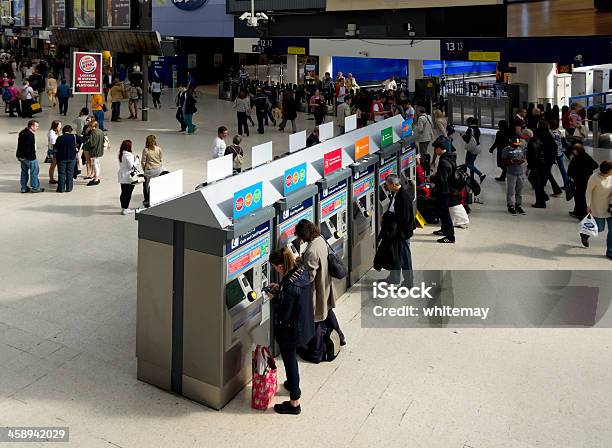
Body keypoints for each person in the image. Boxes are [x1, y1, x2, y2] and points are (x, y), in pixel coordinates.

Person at [267, 247, 315, 415]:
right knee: (291, 359)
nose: (274, 269)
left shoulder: (289, 286)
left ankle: (295, 402)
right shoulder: (301, 269)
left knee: (290, 360)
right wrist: (280, 288)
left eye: (274, 267)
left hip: (292, 331)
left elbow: (284, 313)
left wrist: (274, 300)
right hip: (305, 324)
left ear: (280, 266)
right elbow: (294, 294)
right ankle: (291, 384)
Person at [294, 219, 346, 363]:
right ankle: (340, 337)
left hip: (317, 291)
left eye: (300, 236)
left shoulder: (311, 250)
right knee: (328, 312)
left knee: (316, 320)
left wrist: (295, 279)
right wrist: (302, 261)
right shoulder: (320, 239)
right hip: (326, 285)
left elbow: (309, 276)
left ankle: (316, 353)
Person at [381, 174, 414, 285]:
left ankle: (408, 283)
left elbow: (404, 218)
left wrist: (390, 216)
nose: (386, 187)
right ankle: (394, 277)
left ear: (393, 184)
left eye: (387, 185)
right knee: (396, 256)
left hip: (402, 233)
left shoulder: (403, 197)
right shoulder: (396, 193)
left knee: (405, 258)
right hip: (396, 232)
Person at [581, 161, 612, 258]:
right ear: (607, 170)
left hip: (610, 207)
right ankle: (585, 235)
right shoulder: (594, 178)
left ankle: (610, 251)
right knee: (599, 228)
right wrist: (588, 205)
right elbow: (588, 191)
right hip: (597, 207)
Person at [526, 120, 557, 208]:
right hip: (546, 162)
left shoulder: (537, 136)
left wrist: (530, 164)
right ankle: (542, 197)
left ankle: (541, 201)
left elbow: (532, 151)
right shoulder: (548, 135)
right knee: (539, 181)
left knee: (536, 181)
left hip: (538, 163)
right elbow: (554, 148)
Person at [431, 139, 456, 243]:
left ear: (439, 149)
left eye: (435, 149)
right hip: (447, 190)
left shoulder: (444, 161)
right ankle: (444, 230)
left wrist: (432, 179)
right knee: (442, 212)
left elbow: (442, 179)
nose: (435, 151)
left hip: (443, 192)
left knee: (445, 213)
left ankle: (450, 237)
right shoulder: (450, 157)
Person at [567, 143, 599, 220]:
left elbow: (570, 171)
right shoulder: (587, 156)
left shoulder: (576, 159)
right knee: (582, 196)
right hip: (587, 179)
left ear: (576, 151)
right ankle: (578, 211)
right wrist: (588, 170)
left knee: (579, 197)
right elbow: (595, 165)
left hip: (578, 180)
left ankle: (580, 213)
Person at [16, 119, 44, 193]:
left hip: (20, 156)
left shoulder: (22, 132)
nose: (37, 128)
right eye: (36, 126)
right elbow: (29, 148)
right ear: (32, 126)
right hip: (29, 157)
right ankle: (35, 188)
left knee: (24, 172)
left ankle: (24, 188)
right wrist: (33, 157)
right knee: (34, 172)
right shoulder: (30, 135)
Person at [502, 138, 527, 216]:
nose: (517, 146)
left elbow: (524, 157)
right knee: (511, 191)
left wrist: (522, 161)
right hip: (511, 173)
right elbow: (503, 161)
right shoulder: (506, 150)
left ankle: (518, 205)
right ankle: (510, 205)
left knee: (519, 191)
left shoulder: (520, 149)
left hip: (520, 173)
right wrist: (511, 161)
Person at [54, 125, 81, 193]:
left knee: (61, 173)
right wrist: (77, 146)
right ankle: (69, 188)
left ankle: (61, 189)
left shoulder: (59, 138)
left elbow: (56, 147)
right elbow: (83, 140)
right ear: (70, 130)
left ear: (63, 131)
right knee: (70, 173)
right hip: (72, 157)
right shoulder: (74, 136)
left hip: (61, 158)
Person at [117, 139, 139, 215]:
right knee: (128, 193)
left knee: (123, 193)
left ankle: (123, 207)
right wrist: (137, 161)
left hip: (122, 176)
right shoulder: (128, 155)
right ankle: (126, 209)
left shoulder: (121, 154)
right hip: (128, 177)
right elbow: (131, 167)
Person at [141, 135, 163, 208]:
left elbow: (143, 161)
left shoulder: (146, 150)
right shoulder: (159, 149)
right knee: (156, 184)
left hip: (149, 170)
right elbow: (161, 159)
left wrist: (144, 169)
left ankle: (147, 199)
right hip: (158, 169)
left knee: (146, 186)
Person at [462, 117, 485, 183]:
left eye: (467, 122)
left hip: (472, 148)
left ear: (469, 122)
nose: (466, 124)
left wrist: (463, 136)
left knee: (468, 164)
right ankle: (472, 177)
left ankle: (481, 174)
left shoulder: (470, 129)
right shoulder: (477, 129)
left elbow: (467, 140)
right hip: (477, 147)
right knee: (471, 163)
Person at [82, 120, 104, 186]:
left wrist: (87, 142)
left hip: (95, 151)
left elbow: (92, 144)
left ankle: (96, 179)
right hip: (100, 150)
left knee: (95, 165)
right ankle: (97, 177)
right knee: (97, 164)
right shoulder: (100, 131)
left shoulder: (93, 133)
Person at [549, 119, 569, 190]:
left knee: (548, 169)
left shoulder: (550, 133)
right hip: (560, 152)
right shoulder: (559, 132)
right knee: (562, 169)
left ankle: (544, 182)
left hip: (554, 153)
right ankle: (567, 184)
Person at [47, 120, 61, 184]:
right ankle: (51, 179)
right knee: (53, 165)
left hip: (55, 150)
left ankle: (52, 178)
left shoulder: (55, 132)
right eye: (59, 125)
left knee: (54, 165)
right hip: (53, 151)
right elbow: (53, 143)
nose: (60, 126)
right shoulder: (52, 132)